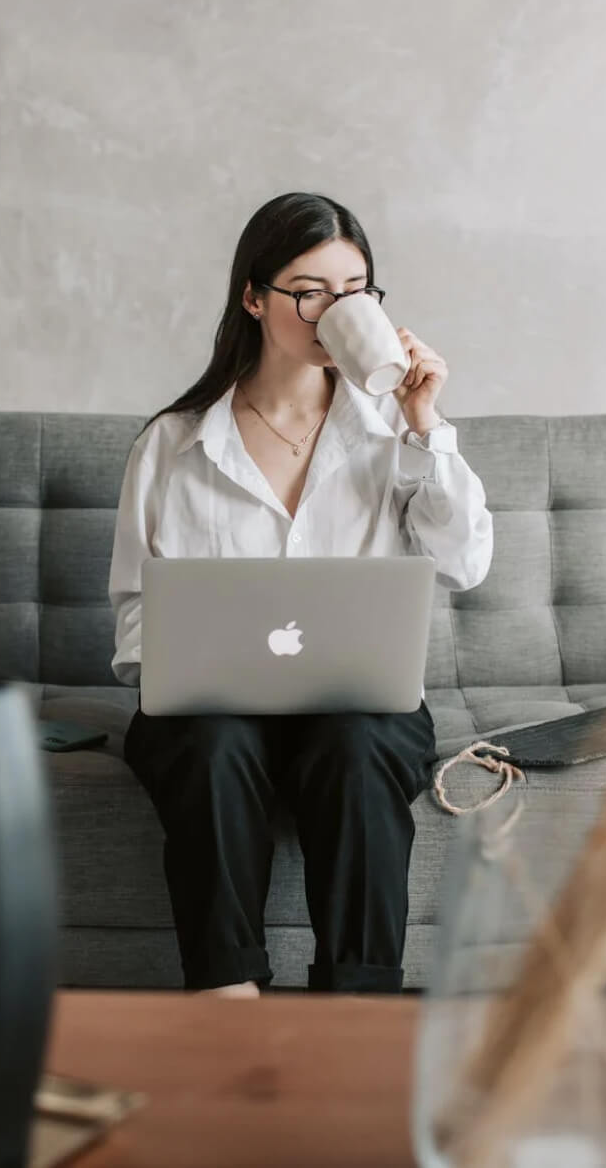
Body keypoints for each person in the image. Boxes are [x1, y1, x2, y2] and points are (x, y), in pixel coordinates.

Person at [108, 191, 494, 997]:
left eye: (355, 291)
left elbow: (465, 565)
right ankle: (226, 997)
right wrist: (183, 669)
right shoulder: (173, 444)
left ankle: (357, 1005)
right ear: (254, 297)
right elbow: (137, 614)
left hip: (355, 704)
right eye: (309, 290)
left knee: (359, 747)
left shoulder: (393, 433)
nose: (335, 311)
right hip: (211, 713)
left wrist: (427, 425)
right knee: (212, 747)